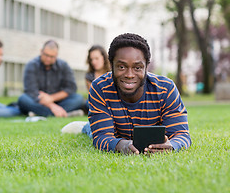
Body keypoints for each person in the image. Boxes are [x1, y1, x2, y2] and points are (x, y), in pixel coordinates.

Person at [62, 33, 191, 155]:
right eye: (122, 67)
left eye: (137, 68)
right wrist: (121, 145)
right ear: (111, 65)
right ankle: (86, 127)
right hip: (114, 130)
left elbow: (182, 134)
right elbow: (102, 137)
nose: (129, 75)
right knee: (93, 132)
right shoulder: (99, 88)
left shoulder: (166, 89)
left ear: (147, 66)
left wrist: (172, 145)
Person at [18, 40, 84, 117]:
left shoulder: (64, 66)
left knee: (78, 98)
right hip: (38, 102)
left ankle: (40, 113)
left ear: (56, 55)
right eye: (46, 55)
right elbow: (31, 90)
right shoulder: (31, 65)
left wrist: (51, 98)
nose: (48, 59)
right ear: (41, 51)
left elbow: (71, 88)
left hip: (59, 101)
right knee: (23, 99)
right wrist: (51, 105)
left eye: (52, 57)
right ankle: (63, 113)